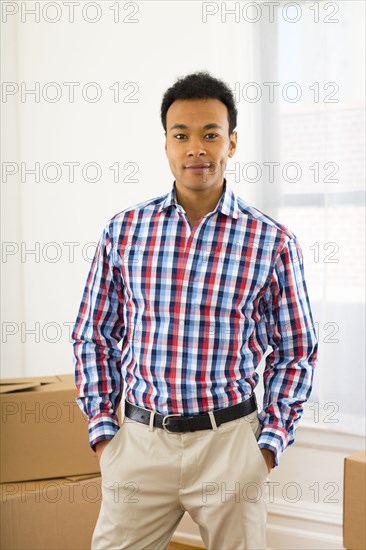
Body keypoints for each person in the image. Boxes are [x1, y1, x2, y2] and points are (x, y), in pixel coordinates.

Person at [72, 71, 318, 550]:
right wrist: (105, 432)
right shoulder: (123, 232)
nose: (196, 149)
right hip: (140, 443)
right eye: (180, 135)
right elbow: (93, 335)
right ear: (165, 143)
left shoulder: (272, 242)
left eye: (211, 134)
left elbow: (296, 351)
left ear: (232, 142)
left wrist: (267, 446)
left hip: (230, 444)